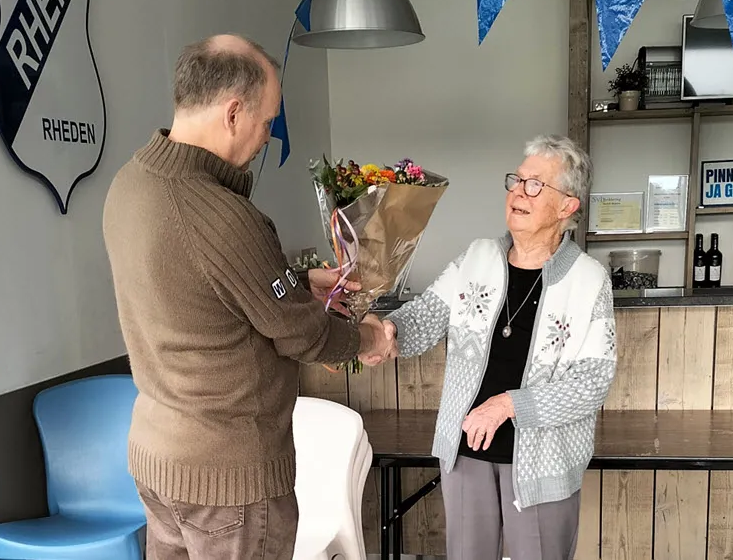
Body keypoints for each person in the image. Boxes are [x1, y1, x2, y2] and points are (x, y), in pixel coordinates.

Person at [102, 34, 395, 560]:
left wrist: (300, 282)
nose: (267, 137)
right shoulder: (222, 215)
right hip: (229, 483)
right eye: (267, 121)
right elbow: (303, 334)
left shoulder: (129, 185)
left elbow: (201, 292)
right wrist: (368, 336)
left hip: (158, 462)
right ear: (233, 112)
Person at [383, 135, 617, 560]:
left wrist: (509, 405)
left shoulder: (589, 280)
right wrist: (381, 333)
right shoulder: (478, 257)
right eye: (516, 180)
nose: (517, 192)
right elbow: (422, 319)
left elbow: (592, 384)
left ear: (568, 206)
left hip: (543, 463)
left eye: (534, 185)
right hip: (467, 452)